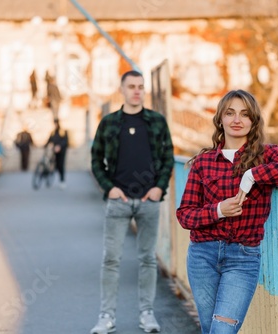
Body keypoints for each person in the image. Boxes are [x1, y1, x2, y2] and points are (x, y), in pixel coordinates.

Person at [176, 90, 278, 334]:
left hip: (243, 258)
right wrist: (218, 210)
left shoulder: (266, 155)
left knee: (222, 331)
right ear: (220, 119)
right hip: (202, 255)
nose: (237, 120)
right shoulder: (204, 162)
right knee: (209, 329)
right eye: (230, 113)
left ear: (253, 120)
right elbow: (185, 215)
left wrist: (254, 174)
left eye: (245, 114)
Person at [90, 70, 174, 334]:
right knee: (111, 259)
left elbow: (169, 157)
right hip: (119, 201)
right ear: (122, 90)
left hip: (149, 201)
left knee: (148, 259)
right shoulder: (109, 123)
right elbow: (95, 160)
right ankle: (106, 316)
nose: (137, 91)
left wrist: (159, 188)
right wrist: (109, 188)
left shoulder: (157, 121)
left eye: (140, 86)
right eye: (132, 86)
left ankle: (147, 314)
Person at [45, 119, 68, 188]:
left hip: (61, 152)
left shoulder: (63, 131)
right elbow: (49, 140)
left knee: (61, 165)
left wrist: (59, 147)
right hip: (54, 151)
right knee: (56, 165)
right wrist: (45, 145)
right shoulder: (53, 132)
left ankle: (62, 180)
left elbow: (65, 141)